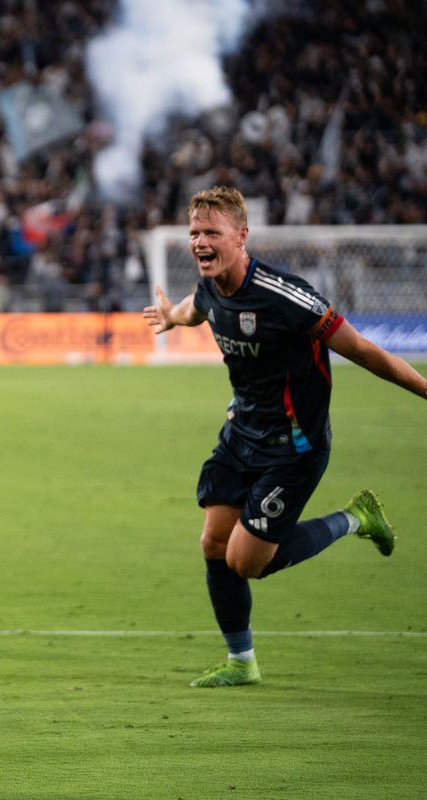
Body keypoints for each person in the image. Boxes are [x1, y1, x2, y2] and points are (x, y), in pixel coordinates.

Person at [143, 186, 426, 688]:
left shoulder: (284, 296)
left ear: (242, 236)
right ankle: (241, 662)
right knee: (213, 542)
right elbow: (195, 306)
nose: (199, 242)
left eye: (212, 232)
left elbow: (361, 349)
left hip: (294, 448)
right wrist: (172, 317)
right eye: (194, 233)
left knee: (246, 562)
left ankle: (355, 517)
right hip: (241, 432)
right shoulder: (211, 286)